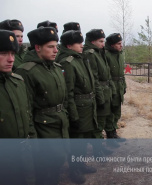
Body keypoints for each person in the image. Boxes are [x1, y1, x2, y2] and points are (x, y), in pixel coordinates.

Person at [15, 26, 69, 185]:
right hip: (42, 127)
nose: (55, 50)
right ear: (38, 48)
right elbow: (26, 108)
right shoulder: (27, 71)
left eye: (56, 46)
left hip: (59, 122)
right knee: (44, 167)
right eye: (50, 47)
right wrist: (33, 138)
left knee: (58, 161)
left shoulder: (56, 68)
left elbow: (63, 97)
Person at [56, 30, 97, 184]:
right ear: (68, 45)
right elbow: (68, 93)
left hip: (86, 108)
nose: (82, 45)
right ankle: (74, 169)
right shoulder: (68, 62)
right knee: (76, 142)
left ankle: (80, 164)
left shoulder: (80, 59)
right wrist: (73, 115)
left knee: (83, 140)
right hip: (78, 109)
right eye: (78, 43)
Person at [0, 29, 36, 185]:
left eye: (13, 54)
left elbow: (28, 116)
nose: (10, 59)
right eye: (3, 53)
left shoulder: (18, 82)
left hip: (24, 156)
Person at [84, 29, 116, 150]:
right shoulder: (91, 54)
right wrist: (100, 98)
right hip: (100, 93)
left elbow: (107, 75)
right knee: (99, 123)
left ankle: (100, 146)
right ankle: (98, 149)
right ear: (93, 42)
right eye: (100, 41)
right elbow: (94, 78)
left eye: (103, 41)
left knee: (103, 120)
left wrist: (112, 91)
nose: (103, 44)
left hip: (105, 91)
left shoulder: (99, 53)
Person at [105, 33, 126, 138]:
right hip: (111, 86)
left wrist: (124, 86)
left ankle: (114, 130)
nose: (121, 45)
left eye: (121, 43)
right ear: (112, 45)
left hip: (120, 86)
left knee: (117, 110)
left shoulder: (120, 54)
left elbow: (122, 73)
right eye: (118, 44)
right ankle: (110, 133)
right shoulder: (106, 55)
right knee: (110, 111)